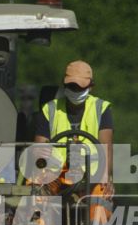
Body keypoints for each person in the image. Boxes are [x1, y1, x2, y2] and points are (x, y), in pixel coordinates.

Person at [34, 60, 113, 192]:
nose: (76, 90)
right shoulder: (50, 109)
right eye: (72, 86)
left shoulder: (101, 108)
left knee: (102, 197)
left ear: (91, 86)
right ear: (64, 85)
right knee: (38, 195)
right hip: (55, 177)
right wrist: (40, 154)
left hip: (91, 178)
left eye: (80, 87)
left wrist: (106, 178)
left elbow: (107, 148)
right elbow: (39, 149)